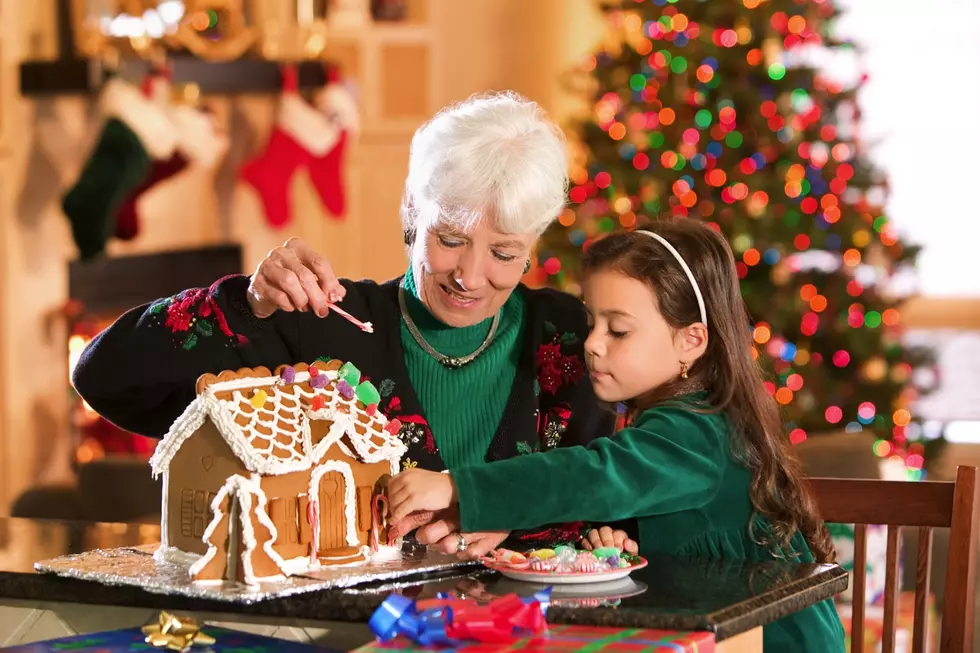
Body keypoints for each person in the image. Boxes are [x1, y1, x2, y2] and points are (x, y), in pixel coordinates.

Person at [70, 90, 633, 559]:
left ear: (532, 244)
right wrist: (247, 302)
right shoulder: (327, 322)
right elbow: (105, 378)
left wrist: (511, 512)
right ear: (413, 214)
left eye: (505, 254)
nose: (470, 275)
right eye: (451, 239)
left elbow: (639, 493)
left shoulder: (572, 337)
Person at [384, 219, 846, 652]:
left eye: (619, 330)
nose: (591, 343)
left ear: (692, 340)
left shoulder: (696, 431)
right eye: (592, 323)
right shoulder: (672, 420)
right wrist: (619, 543)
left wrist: (457, 485)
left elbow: (597, 475)